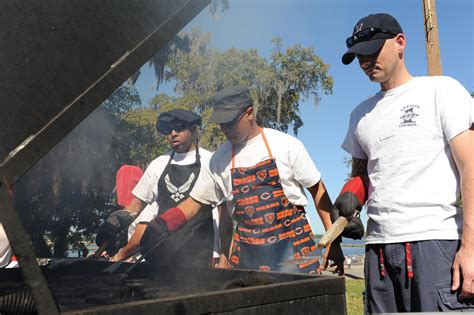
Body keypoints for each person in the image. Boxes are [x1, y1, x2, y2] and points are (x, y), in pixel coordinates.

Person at [331, 13, 474, 312]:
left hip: (435, 243)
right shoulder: (360, 115)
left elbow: (470, 167)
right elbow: (362, 176)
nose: (365, 62)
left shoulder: (442, 91)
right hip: (377, 249)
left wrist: (471, 247)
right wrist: (350, 198)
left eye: (371, 51)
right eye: (359, 57)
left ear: (400, 43)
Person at [139, 85, 344, 274]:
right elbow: (197, 203)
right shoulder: (219, 159)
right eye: (221, 124)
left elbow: (318, 190)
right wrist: (163, 223)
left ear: (249, 113)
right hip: (248, 253)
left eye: (230, 122)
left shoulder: (286, 145)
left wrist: (332, 239)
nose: (225, 129)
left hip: (295, 249)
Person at [96, 109, 216, 267]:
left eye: (179, 128)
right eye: (168, 130)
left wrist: (221, 256)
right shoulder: (158, 164)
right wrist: (115, 221)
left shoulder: (211, 161)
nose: (173, 134)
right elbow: (136, 205)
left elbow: (221, 212)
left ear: (193, 130)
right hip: (162, 249)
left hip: (199, 251)